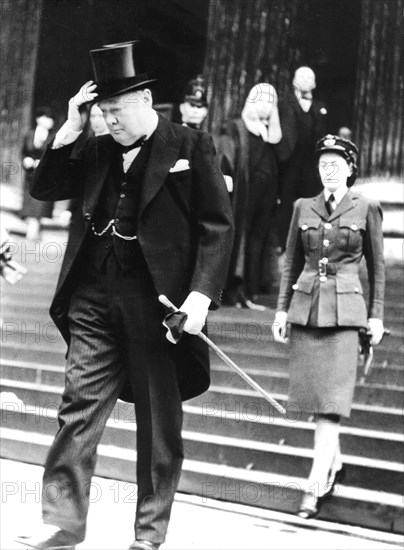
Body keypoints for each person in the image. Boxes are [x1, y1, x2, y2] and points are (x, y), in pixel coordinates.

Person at [16, 40, 234, 550]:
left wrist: (201, 296)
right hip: (92, 297)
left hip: (159, 307)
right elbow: (44, 189)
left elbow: (217, 226)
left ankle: (149, 534)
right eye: (102, 112)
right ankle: (63, 522)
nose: (109, 122)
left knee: (159, 424)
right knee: (78, 406)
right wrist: (71, 128)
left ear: (143, 101)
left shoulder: (191, 146)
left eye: (116, 111)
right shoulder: (94, 147)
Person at [272, 134, 385, 518]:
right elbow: (290, 263)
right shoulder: (303, 207)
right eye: (323, 163)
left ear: (351, 169)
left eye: (337, 163)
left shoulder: (366, 206)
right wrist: (280, 311)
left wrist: (376, 315)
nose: (329, 169)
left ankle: (314, 484)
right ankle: (334, 465)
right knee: (316, 402)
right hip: (307, 311)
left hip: (346, 317)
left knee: (331, 405)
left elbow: (379, 268)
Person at [217, 83, 282, 309]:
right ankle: (235, 289)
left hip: (265, 195)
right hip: (244, 193)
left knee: (258, 239)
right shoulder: (236, 127)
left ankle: (250, 289)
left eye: (270, 103)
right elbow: (225, 156)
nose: (265, 107)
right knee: (240, 239)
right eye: (261, 101)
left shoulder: (269, 133)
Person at [276, 66, 329, 250]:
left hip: (311, 164)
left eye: (309, 77)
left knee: (310, 204)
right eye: (301, 76)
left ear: (314, 83)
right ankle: (283, 245)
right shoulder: (283, 104)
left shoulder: (320, 107)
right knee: (286, 203)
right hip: (289, 162)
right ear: (293, 80)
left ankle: (307, 245)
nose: (306, 80)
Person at [19, 107, 56, 240]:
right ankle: (33, 230)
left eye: (51, 119)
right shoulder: (29, 134)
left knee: (40, 203)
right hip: (30, 174)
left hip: (46, 175)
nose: (50, 121)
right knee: (30, 202)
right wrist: (25, 160)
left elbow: (56, 156)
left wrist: (42, 163)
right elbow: (24, 152)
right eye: (47, 117)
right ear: (39, 119)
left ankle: (33, 231)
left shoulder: (54, 137)